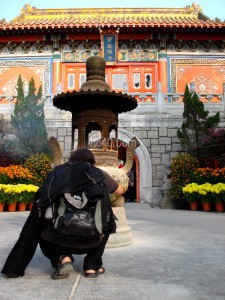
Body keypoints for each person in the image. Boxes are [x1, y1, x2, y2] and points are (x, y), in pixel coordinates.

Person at [1, 148, 124, 280]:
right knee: (108, 219)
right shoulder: (98, 173)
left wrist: (14, 267)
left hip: (58, 238)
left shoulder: (57, 173)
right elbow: (120, 191)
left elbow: (39, 204)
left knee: (39, 223)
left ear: (72, 159)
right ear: (91, 161)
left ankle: (63, 259)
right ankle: (92, 266)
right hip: (92, 238)